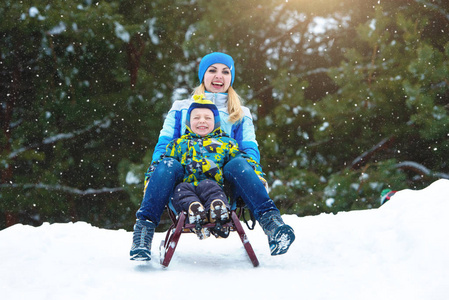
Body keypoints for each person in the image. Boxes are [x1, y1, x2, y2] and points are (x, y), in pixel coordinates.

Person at [130, 52, 295, 261]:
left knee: (237, 162)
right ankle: (143, 233)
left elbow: (249, 151)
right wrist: (154, 176)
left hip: (224, 187)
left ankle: (273, 225)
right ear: (203, 75)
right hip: (184, 186)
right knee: (168, 162)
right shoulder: (181, 108)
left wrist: (256, 177)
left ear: (231, 78)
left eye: (226, 72)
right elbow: (164, 148)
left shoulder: (240, 113)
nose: (219, 76)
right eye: (212, 70)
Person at [164, 98, 264, 239]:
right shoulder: (178, 144)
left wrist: (256, 175)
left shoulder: (226, 143)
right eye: (196, 117)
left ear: (216, 123)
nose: (202, 121)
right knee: (181, 192)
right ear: (188, 122)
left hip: (213, 184)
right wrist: (153, 177)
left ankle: (218, 212)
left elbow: (242, 160)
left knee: (212, 188)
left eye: (207, 118)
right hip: (186, 184)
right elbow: (165, 162)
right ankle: (195, 211)